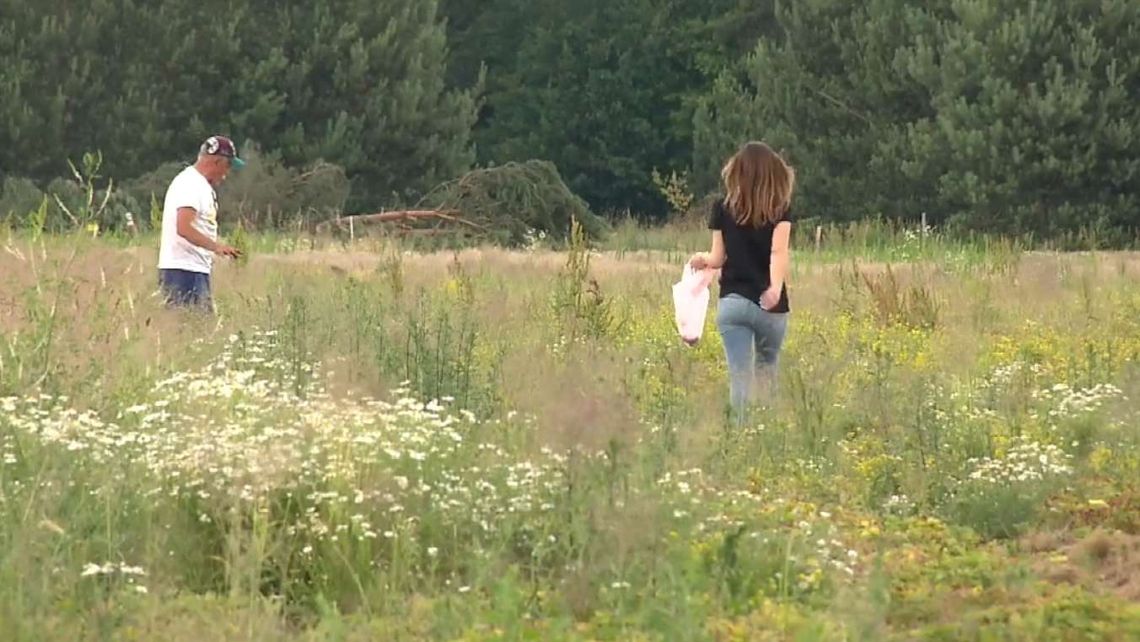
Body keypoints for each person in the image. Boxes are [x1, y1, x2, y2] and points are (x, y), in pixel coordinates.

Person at [689, 141, 795, 419]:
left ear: (737, 170)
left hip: (733, 303)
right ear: (775, 172)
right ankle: (766, 432)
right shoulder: (781, 208)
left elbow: (716, 258)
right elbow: (778, 251)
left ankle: (740, 434)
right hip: (771, 307)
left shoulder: (722, 208)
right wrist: (773, 287)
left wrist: (700, 259)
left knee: (739, 377)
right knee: (767, 370)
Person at [157, 135, 245, 312]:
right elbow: (183, 227)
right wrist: (216, 247)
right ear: (216, 162)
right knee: (191, 329)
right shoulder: (190, 184)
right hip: (183, 271)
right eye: (227, 166)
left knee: (199, 330)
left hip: (194, 269)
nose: (226, 174)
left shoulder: (199, 185)